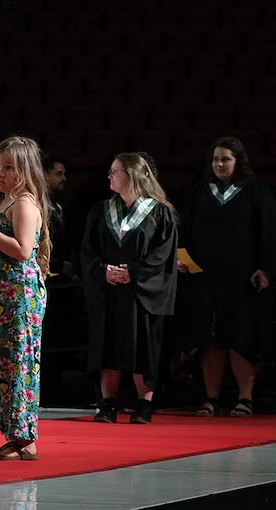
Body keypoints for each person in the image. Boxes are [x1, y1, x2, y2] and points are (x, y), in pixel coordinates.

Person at [178, 137, 276, 418]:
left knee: (240, 338)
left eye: (225, 159)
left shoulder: (255, 192)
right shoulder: (200, 192)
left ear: (239, 162)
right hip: (204, 279)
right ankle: (211, 398)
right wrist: (181, 258)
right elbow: (184, 230)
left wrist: (266, 268)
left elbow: (270, 233)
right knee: (210, 338)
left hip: (242, 280)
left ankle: (245, 398)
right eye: (215, 159)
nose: (219, 164)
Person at [80, 152, 178, 425]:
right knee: (108, 345)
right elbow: (87, 253)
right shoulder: (101, 211)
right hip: (109, 291)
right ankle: (107, 404)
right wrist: (104, 271)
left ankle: (143, 405)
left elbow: (162, 257)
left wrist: (132, 273)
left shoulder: (159, 213)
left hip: (141, 294)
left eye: (115, 171)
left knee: (142, 347)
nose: (109, 176)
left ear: (132, 175)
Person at [0, 136, 49, 460]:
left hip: (19, 297)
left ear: (25, 170)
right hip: (1, 296)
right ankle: (13, 434)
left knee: (19, 364)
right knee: (2, 363)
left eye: (8, 168)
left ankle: (24, 438)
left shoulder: (24, 202)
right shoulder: (3, 201)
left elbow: (22, 250)